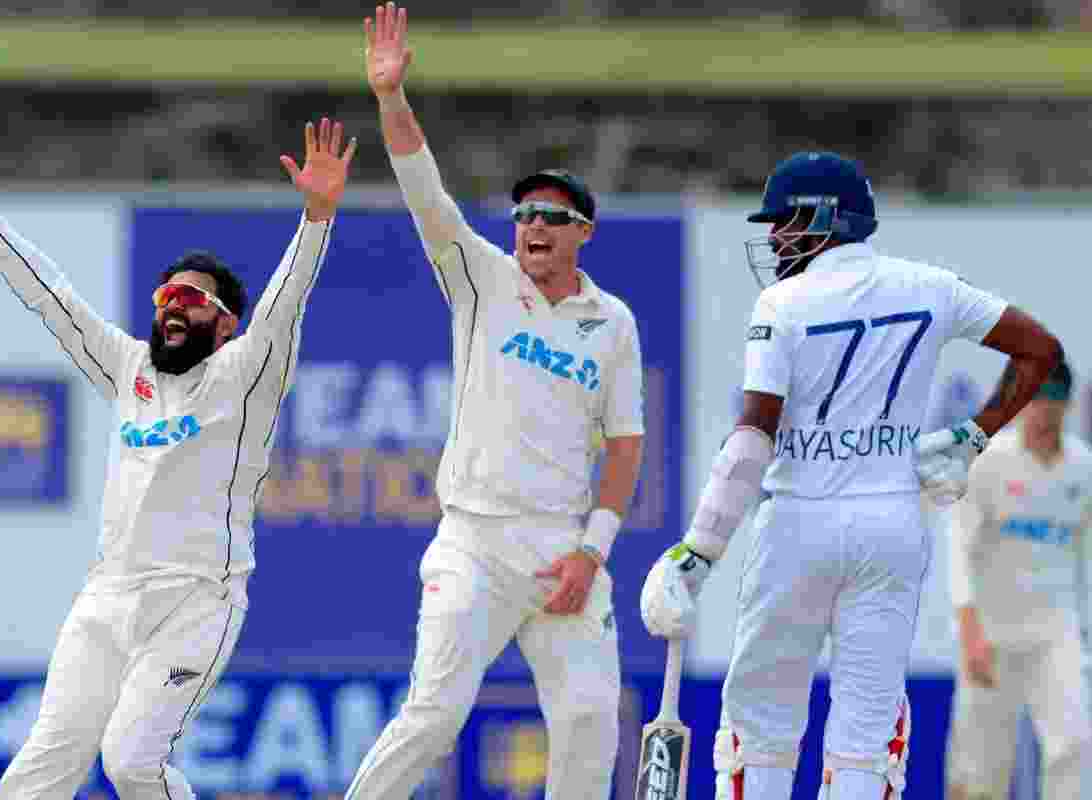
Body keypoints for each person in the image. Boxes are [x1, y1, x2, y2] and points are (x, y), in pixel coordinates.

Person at [639, 150, 1064, 800]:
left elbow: (753, 440)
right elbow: (1041, 350)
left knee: (759, 730)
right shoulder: (930, 285)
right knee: (866, 742)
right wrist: (975, 436)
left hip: (797, 526)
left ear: (824, 218)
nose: (775, 237)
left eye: (784, 222)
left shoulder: (781, 303)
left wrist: (696, 554)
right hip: (891, 529)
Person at [0, 114, 356, 800]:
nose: (173, 307)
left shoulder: (246, 375)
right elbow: (54, 301)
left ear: (227, 322)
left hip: (198, 601)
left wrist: (317, 218)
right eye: (166, 295)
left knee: (132, 761)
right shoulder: (129, 367)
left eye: (193, 300)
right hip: (107, 598)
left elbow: (286, 306)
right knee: (47, 757)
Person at [343, 5, 647, 798]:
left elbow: (624, 445)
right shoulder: (480, 277)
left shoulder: (611, 322)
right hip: (473, 541)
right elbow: (424, 191)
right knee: (435, 713)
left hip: (561, 550)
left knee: (589, 723)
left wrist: (593, 551)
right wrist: (389, 98)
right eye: (524, 214)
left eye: (552, 216)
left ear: (584, 233)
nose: (533, 225)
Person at [944, 362, 1090, 800]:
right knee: (980, 773)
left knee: (1074, 744)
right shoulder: (987, 462)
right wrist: (971, 635)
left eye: (1054, 399)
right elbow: (959, 551)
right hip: (992, 633)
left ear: (1067, 404)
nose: (1044, 410)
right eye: (1036, 399)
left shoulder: (1083, 467)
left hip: (1055, 633)